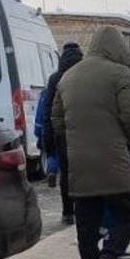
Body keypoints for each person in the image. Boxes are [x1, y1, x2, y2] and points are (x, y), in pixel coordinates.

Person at [52, 27, 130, 259]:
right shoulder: (119, 73)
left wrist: (76, 141)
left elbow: (56, 119)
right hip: (112, 159)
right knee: (126, 214)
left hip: (79, 164)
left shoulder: (67, 77)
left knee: (86, 222)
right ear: (116, 49)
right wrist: (125, 139)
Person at [35, 42, 84, 225]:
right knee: (82, 172)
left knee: (66, 174)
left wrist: (47, 141)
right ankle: (82, 208)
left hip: (62, 133)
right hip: (83, 132)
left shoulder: (55, 79)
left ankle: (67, 212)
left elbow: (48, 111)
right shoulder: (84, 75)